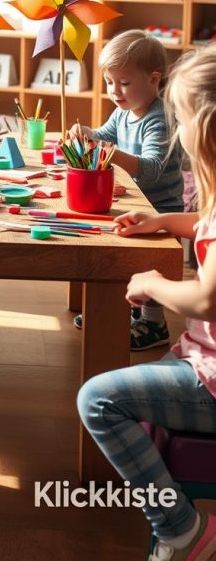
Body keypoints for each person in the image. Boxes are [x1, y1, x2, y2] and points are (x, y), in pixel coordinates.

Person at [77, 42, 216, 561]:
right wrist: (163, 222)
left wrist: (151, 284)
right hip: (200, 359)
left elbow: (206, 298)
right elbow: (202, 225)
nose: (178, 133)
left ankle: (182, 528)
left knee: (98, 399)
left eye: (181, 122)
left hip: (211, 376)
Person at [71, 30, 183, 350]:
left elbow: (152, 170)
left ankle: (154, 323)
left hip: (161, 207)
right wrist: (87, 133)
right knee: (116, 250)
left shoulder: (158, 118)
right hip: (136, 201)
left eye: (124, 83)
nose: (115, 91)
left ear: (153, 79)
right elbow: (105, 133)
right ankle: (124, 309)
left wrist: (107, 149)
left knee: (149, 261)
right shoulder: (123, 111)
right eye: (109, 82)